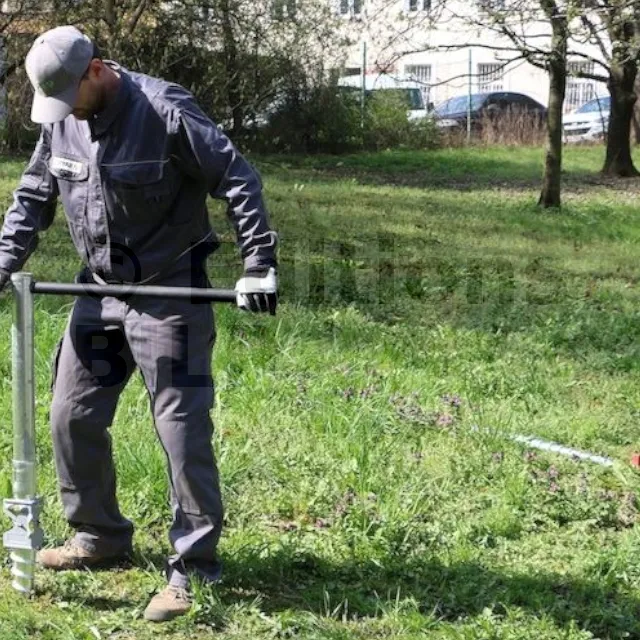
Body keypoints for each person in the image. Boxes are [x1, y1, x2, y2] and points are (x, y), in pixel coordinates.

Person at [0, 25, 278, 622]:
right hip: (99, 291)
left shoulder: (165, 110)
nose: (66, 110)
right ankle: (98, 534)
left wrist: (259, 265)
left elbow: (237, 178)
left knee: (180, 427)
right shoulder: (62, 120)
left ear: (97, 70)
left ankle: (193, 567)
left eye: (71, 96)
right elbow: (33, 197)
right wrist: (3, 262)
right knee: (71, 414)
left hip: (169, 293)